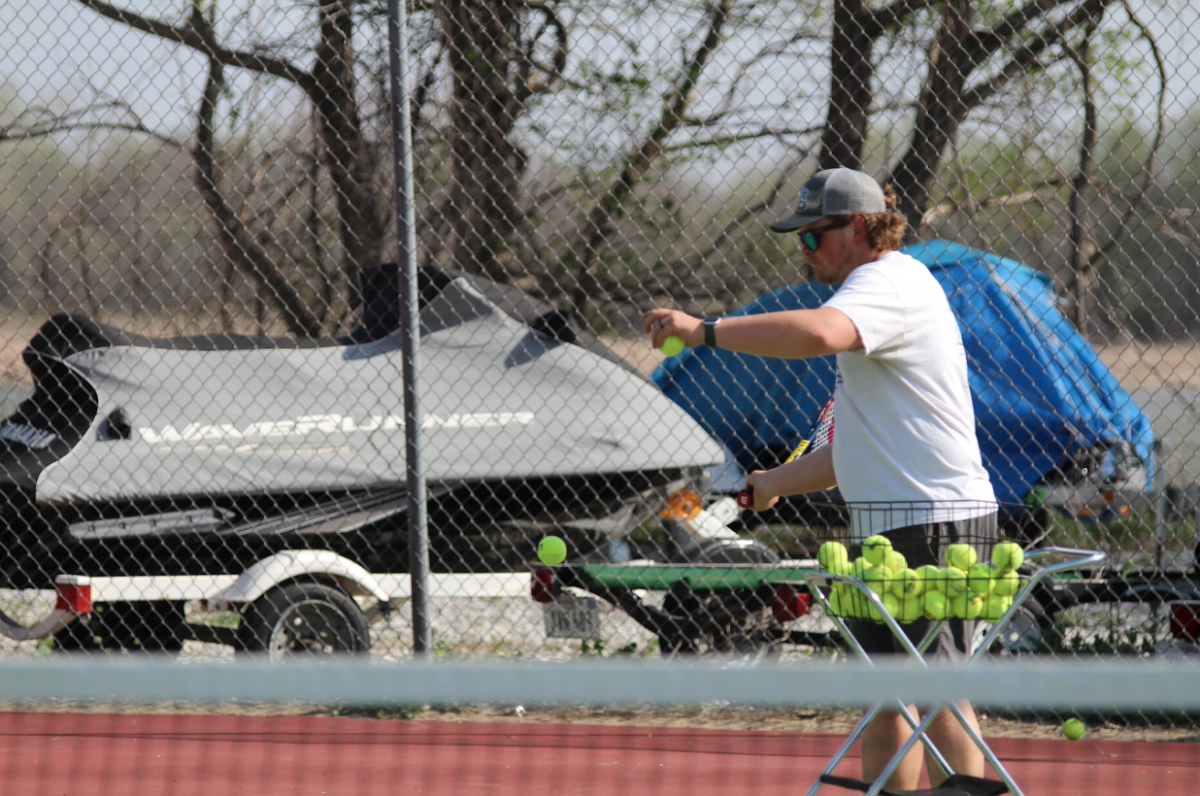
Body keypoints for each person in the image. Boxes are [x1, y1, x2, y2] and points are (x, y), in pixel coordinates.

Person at [642, 167, 998, 791]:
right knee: (886, 695)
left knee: (932, 689)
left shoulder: (888, 281)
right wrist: (775, 483)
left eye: (813, 237)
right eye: (798, 239)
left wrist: (706, 332)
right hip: (895, 528)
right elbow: (851, 448)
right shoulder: (873, 296)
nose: (804, 253)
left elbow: (816, 332)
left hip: (936, 525)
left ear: (859, 228)